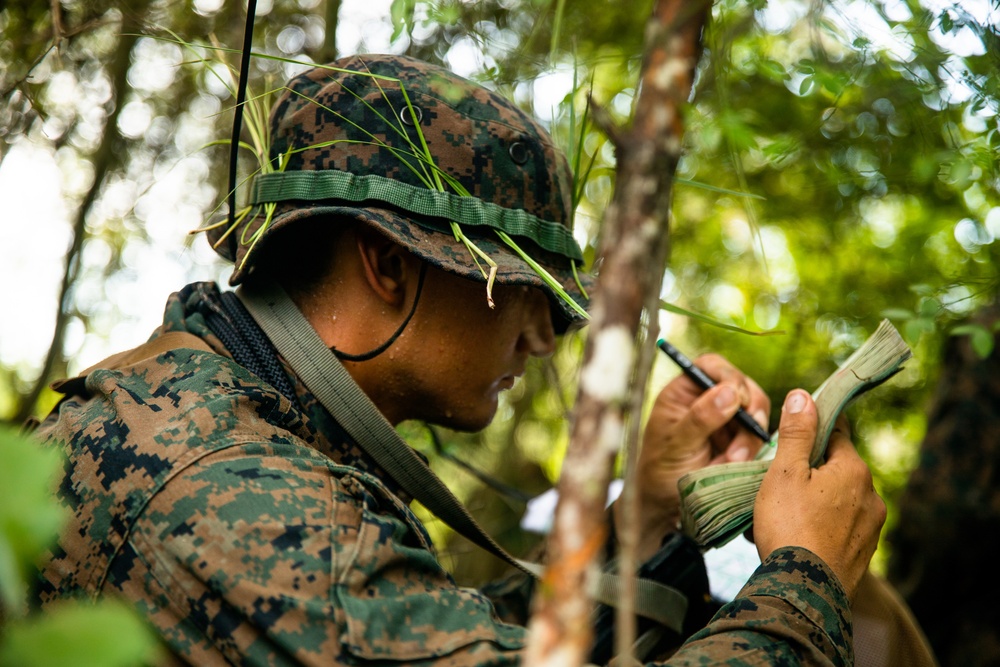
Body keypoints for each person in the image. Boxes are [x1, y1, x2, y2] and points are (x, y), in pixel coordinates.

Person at [30, 54, 885, 665]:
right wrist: (806, 579)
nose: (545, 337)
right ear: (391, 264)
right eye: (522, 293)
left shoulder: (206, 405)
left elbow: (445, 635)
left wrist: (642, 522)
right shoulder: (232, 485)